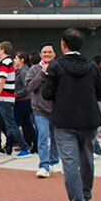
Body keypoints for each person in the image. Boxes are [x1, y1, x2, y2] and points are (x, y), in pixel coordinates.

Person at [41, 28, 101, 201]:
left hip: (64, 120)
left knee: (70, 163)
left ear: (63, 44)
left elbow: (46, 93)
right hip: (88, 120)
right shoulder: (92, 66)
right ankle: (85, 197)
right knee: (87, 159)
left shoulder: (56, 66)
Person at [0, 42, 29, 157]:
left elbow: (2, 81)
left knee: (10, 124)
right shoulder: (6, 63)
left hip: (4, 99)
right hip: (3, 99)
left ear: (3, 50)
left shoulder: (5, 62)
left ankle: (24, 148)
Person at [26, 42, 61, 177]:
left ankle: (54, 162)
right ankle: (44, 165)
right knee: (42, 136)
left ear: (54, 54)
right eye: (44, 52)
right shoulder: (34, 69)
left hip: (56, 109)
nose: (47, 54)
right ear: (41, 55)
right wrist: (42, 73)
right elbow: (29, 87)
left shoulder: (59, 68)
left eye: (49, 52)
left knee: (56, 138)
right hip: (40, 110)